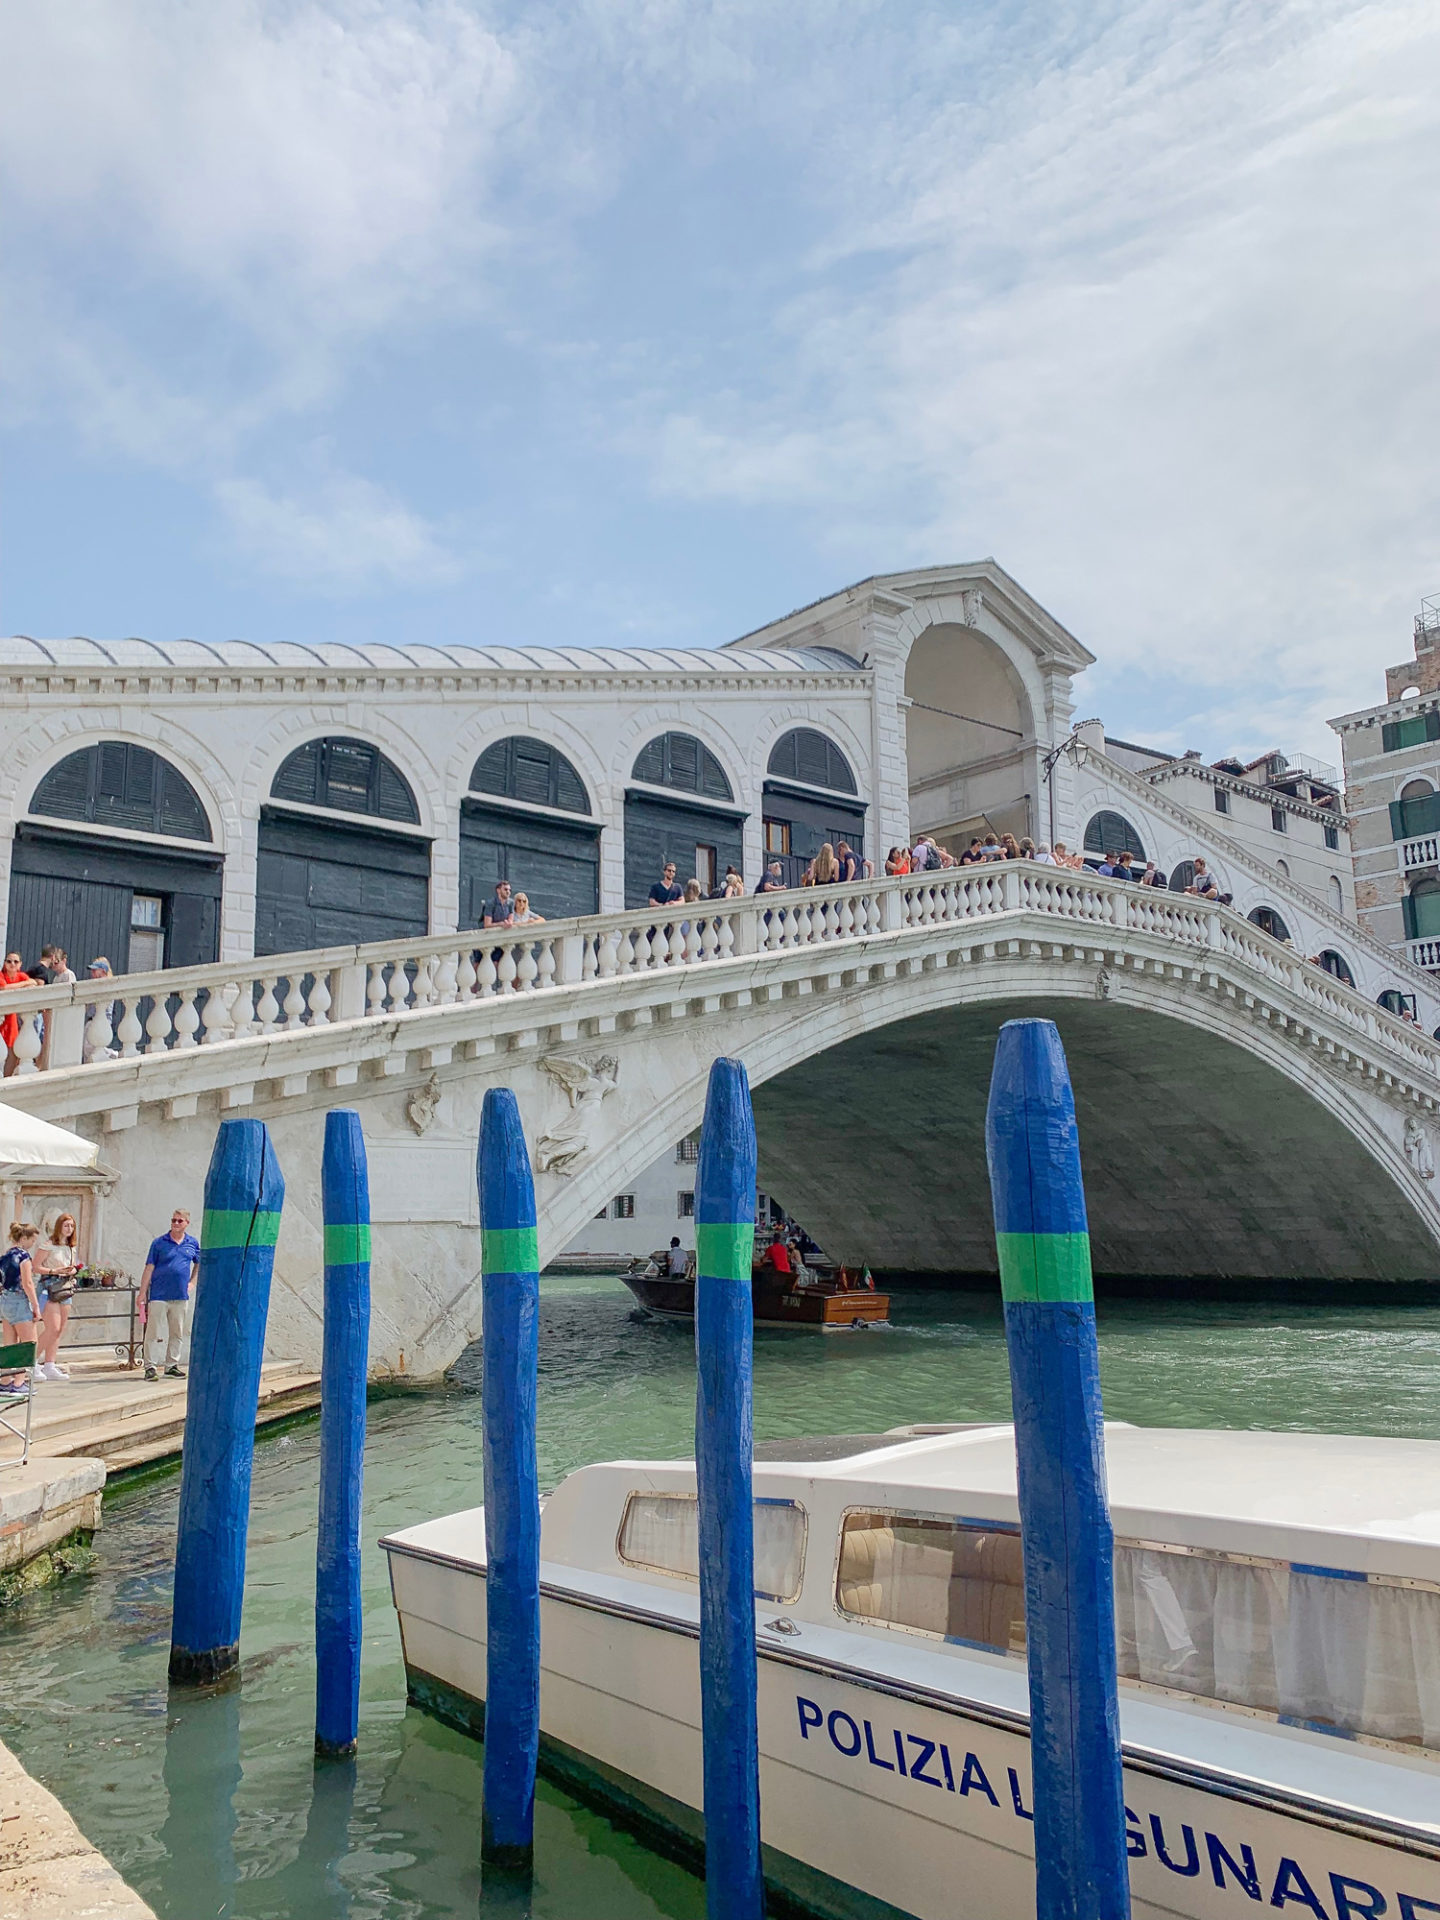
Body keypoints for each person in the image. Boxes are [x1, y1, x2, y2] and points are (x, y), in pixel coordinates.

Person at [139, 1208, 201, 1381]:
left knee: (177, 1332)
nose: (175, 1223)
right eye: (173, 1220)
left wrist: (192, 1282)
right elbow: (149, 1267)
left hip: (180, 1295)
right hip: (159, 1294)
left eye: (179, 1221)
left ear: (187, 1223)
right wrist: (142, 1292)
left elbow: (199, 1263)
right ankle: (150, 1366)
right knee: (153, 1332)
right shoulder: (159, 1243)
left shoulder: (192, 1243)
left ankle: (171, 1365)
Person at [34, 1212, 80, 1381]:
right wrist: (55, 1271)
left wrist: (72, 1270)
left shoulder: (71, 1246)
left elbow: (73, 1264)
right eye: (66, 1225)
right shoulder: (48, 1245)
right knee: (52, 1327)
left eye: (72, 1226)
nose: (69, 1229)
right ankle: (32, 1362)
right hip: (50, 1287)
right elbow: (35, 1266)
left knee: (60, 1329)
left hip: (65, 1287)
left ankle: (49, 1364)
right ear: (59, 1226)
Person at [0, 1223, 41, 1398]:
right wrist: (36, 1306)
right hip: (19, 1300)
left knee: (10, 1344)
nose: (33, 1243)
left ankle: (4, 1381)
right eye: (32, 1240)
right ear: (24, 1238)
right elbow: (27, 1283)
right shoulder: (23, 1256)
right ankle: (19, 1382)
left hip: (5, 1300)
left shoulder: (5, 1256)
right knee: (28, 1344)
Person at [0, 951, 30, 1075]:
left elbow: (33, 983)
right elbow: (3, 988)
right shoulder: (1, 976)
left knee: (13, 1051)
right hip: (3, 1017)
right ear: (5, 963)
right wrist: (24, 984)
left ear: (20, 964)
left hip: (12, 1019)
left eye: (15, 961)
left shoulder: (21, 976)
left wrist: (26, 983)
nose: (12, 964)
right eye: (9, 961)